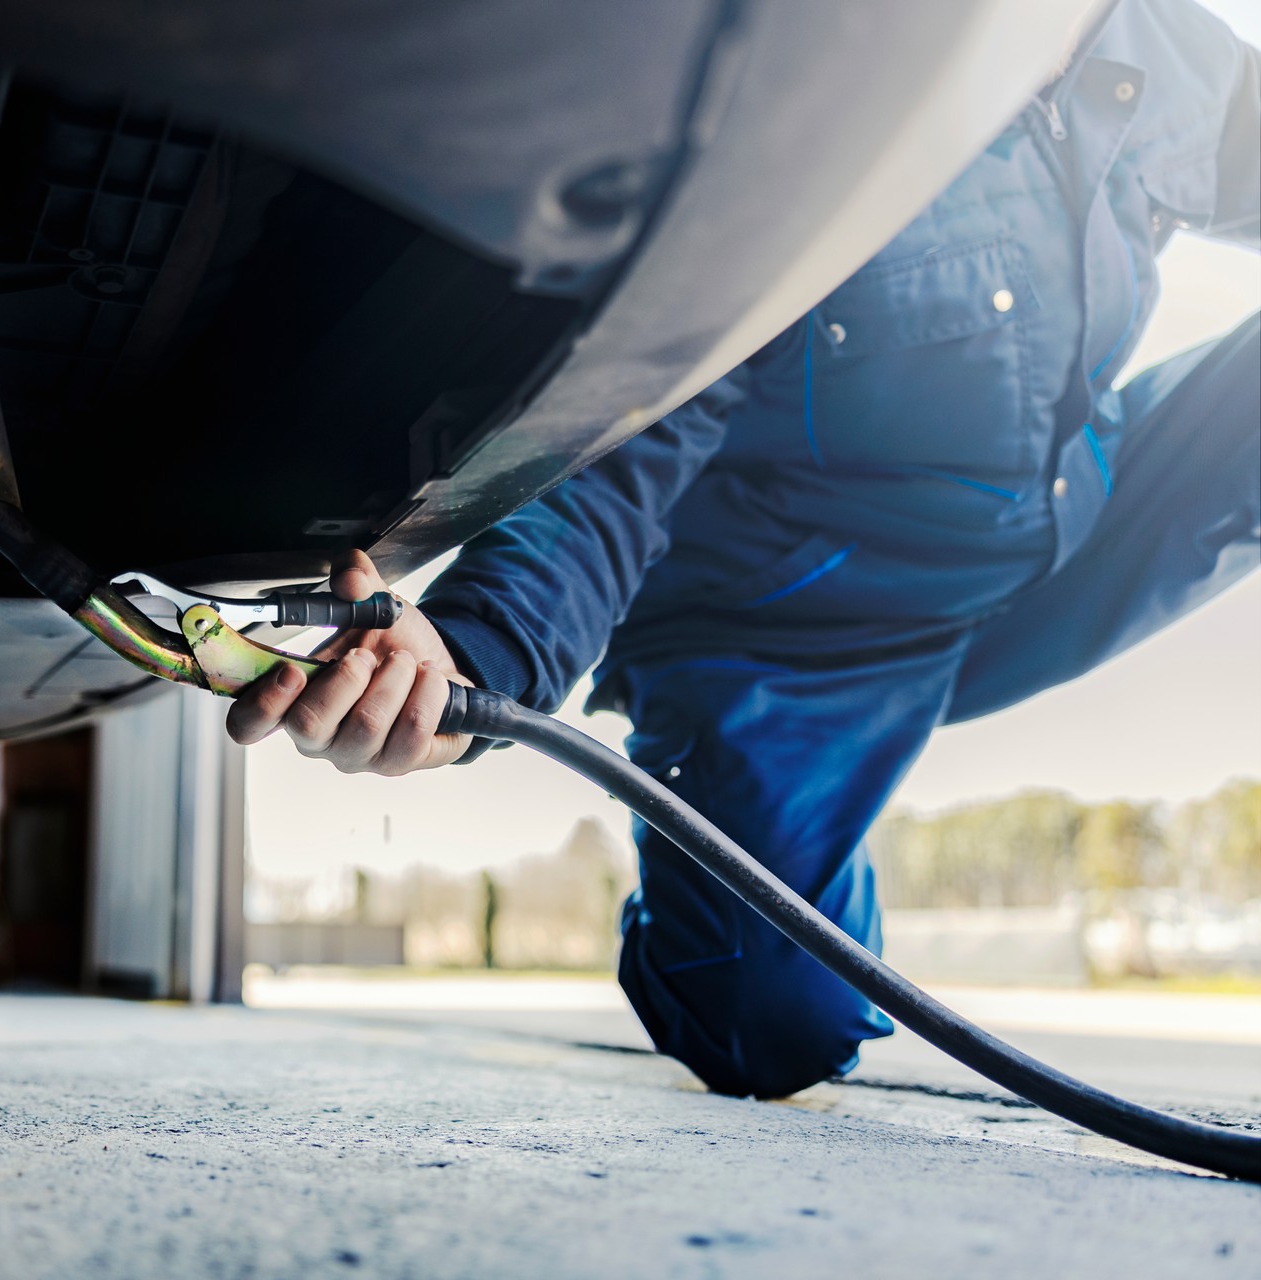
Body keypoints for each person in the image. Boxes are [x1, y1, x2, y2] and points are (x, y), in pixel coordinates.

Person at [226, 0, 1260, 1098]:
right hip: (793, 641)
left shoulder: (1151, 49)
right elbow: (633, 442)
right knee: (773, 1022)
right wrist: (473, 658)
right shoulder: (812, 92)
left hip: (1076, 532)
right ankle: (734, 826)